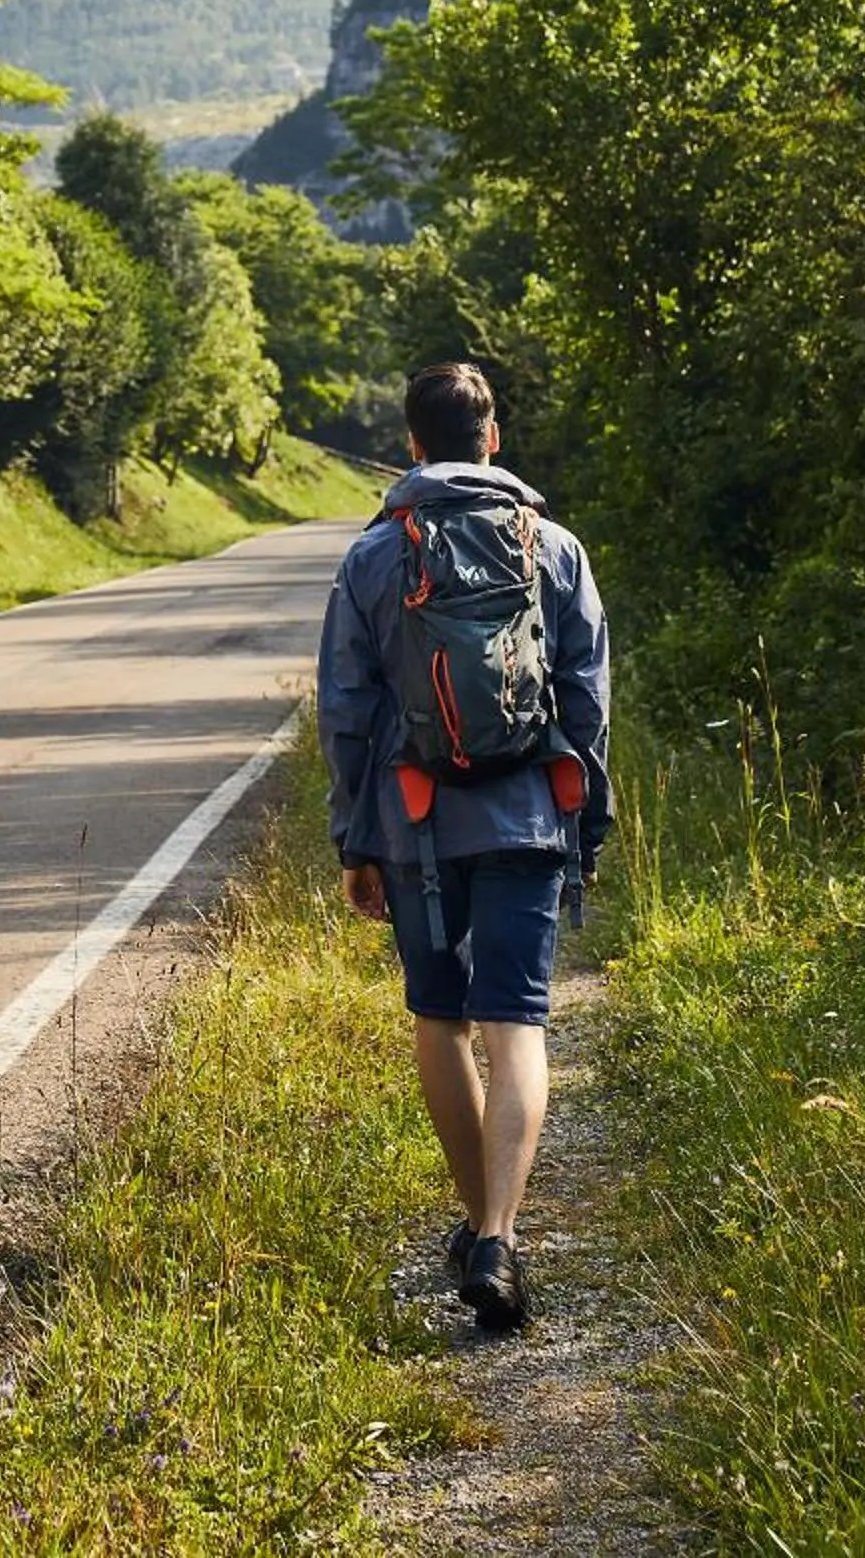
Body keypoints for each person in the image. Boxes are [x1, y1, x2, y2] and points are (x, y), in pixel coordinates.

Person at [317, 359, 611, 1333]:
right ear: (492, 439)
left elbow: (346, 711)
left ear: (410, 445)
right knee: (516, 1023)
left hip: (415, 825)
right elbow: (586, 699)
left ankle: (480, 1223)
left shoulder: (372, 557)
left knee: (440, 1020)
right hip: (527, 817)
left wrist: (354, 840)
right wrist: (586, 822)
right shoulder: (553, 547)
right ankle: (498, 1236)